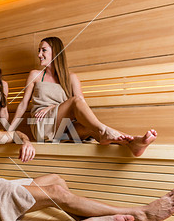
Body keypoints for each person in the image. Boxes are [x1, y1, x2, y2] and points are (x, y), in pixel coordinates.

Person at [0, 82, 174, 221]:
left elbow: (15, 134)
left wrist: (26, 142)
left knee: (57, 180)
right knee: (56, 193)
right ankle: (141, 215)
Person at [9, 37, 157, 157]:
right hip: (42, 125)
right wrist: (9, 132)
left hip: (63, 129)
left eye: (43, 50)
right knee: (78, 104)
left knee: (90, 129)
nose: (39, 54)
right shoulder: (35, 75)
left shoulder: (71, 78)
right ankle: (107, 131)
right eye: (39, 50)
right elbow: (23, 105)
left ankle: (133, 144)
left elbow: (81, 106)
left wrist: (54, 106)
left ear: (56, 52)